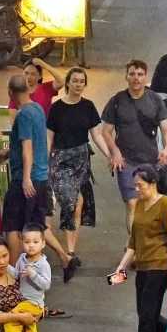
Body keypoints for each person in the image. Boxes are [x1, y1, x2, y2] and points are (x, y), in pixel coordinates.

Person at [109, 165, 167, 332]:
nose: (137, 190)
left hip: (161, 265)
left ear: (153, 183)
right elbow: (133, 243)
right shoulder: (138, 205)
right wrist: (121, 267)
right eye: (135, 185)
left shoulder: (165, 204)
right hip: (143, 267)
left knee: (147, 316)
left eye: (141, 185)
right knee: (146, 313)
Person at [47, 67, 110, 281]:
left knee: (78, 204)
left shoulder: (88, 107)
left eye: (82, 81)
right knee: (70, 202)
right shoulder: (56, 108)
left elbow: (97, 135)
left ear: (85, 84)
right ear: (68, 83)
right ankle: (68, 254)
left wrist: (110, 155)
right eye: (74, 81)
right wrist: (45, 163)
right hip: (61, 160)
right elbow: (49, 137)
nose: (78, 84)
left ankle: (71, 251)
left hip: (82, 161)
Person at [1, 74, 69, 267]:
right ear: (29, 89)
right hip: (40, 177)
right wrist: (7, 152)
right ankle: (64, 258)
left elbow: (27, 148)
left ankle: (13, 274)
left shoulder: (23, 115)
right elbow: (35, 141)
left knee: (13, 227)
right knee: (36, 225)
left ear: (10, 93)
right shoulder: (38, 109)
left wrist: (25, 179)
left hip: (26, 179)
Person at [100, 60, 167, 228]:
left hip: (150, 161)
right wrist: (115, 152)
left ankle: (143, 243)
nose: (136, 78)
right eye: (132, 74)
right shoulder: (117, 101)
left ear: (145, 77)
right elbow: (106, 132)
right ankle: (135, 248)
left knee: (149, 205)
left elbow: (166, 129)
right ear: (126, 76)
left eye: (140, 74)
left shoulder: (154, 99)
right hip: (126, 162)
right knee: (132, 204)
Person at [2, 226, 50, 332]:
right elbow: (16, 275)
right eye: (27, 241)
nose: (31, 245)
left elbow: (46, 285)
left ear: (43, 243)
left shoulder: (43, 264)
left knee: (10, 319)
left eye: (35, 242)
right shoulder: (22, 259)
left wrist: (33, 274)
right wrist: (5, 266)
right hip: (24, 301)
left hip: (34, 304)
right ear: (22, 243)